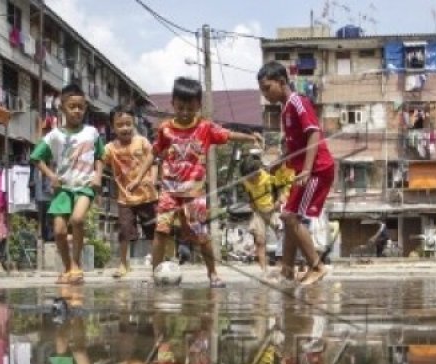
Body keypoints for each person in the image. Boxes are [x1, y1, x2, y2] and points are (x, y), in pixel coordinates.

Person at [137, 77, 262, 288]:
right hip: (169, 191)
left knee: (201, 235)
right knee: (161, 231)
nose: (185, 112)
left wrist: (250, 138)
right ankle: (155, 274)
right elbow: (153, 152)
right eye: (181, 107)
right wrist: (139, 177)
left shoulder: (205, 127)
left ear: (198, 106)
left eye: (190, 108)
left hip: (194, 193)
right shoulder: (165, 128)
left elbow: (228, 134)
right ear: (173, 104)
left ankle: (213, 273)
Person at [258, 61, 336, 286]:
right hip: (304, 171)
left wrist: (306, 169)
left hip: (317, 170)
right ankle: (287, 270)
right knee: (287, 216)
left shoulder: (298, 102)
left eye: (267, 88)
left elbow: (313, 133)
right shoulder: (286, 110)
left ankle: (316, 266)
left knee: (292, 218)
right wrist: (277, 163)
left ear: (282, 82)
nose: (265, 95)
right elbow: (293, 147)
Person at [31, 83, 105, 285]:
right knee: (59, 231)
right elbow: (36, 158)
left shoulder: (92, 132)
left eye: (81, 107)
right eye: (72, 106)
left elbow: (100, 156)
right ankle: (68, 267)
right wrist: (51, 176)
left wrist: (98, 175)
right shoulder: (54, 135)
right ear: (62, 108)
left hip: (84, 185)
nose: (77, 111)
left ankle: (76, 263)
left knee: (78, 219)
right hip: (63, 188)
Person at [102, 106, 159, 279]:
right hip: (125, 198)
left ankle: (157, 263)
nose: (125, 128)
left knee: (152, 231)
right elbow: (99, 162)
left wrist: (153, 179)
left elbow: (154, 161)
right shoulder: (110, 148)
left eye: (128, 123)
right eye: (120, 125)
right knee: (124, 232)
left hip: (147, 196)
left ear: (133, 123)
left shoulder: (142, 141)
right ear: (113, 127)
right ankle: (123, 264)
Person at [239, 156, 288, 274]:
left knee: (283, 237)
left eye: (252, 177)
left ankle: (281, 267)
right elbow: (248, 193)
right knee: (260, 241)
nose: (250, 180)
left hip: (274, 210)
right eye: (248, 178)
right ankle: (264, 271)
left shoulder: (269, 176)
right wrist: (251, 203)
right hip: (259, 212)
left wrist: (278, 202)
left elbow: (281, 190)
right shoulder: (245, 181)